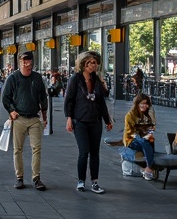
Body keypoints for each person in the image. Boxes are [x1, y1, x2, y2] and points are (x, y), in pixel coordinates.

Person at [64, 50, 114, 193]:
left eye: (95, 62)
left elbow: (102, 100)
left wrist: (107, 119)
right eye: (90, 62)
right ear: (83, 64)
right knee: (83, 151)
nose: (93, 65)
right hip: (80, 120)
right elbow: (69, 100)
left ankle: (95, 182)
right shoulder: (76, 79)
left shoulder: (96, 79)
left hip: (95, 120)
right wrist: (69, 119)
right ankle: (81, 181)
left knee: (95, 152)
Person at [1, 51, 49, 190]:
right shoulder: (13, 78)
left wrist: (44, 118)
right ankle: (19, 177)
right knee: (17, 149)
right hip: (19, 118)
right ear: (19, 63)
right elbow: (6, 97)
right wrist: (11, 110)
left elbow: (43, 98)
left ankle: (36, 178)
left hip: (34, 118)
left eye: (28, 61)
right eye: (23, 62)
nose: (26, 64)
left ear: (32, 62)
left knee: (36, 148)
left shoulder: (37, 78)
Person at [123, 92, 156, 180]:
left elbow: (152, 128)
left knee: (150, 140)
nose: (144, 106)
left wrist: (149, 133)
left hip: (145, 138)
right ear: (137, 104)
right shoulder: (130, 115)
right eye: (142, 103)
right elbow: (130, 132)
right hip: (132, 140)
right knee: (143, 141)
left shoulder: (148, 114)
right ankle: (149, 168)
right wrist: (141, 136)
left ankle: (148, 167)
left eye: (146, 103)